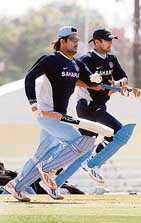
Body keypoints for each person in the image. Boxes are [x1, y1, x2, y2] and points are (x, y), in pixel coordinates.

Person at [3, 26, 103, 202]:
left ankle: (16, 186)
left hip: (60, 115)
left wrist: (97, 79)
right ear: (62, 41)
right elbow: (30, 77)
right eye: (72, 40)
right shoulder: (51, 60)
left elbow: (91, 82)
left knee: (43, 153)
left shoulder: (77, 63)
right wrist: (33, 103)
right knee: (82, 141)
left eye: (77, 40)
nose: (76, 43)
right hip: (48, 114)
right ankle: (49, 169)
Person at [76, 28, 131, 183]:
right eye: (107, 40)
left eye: (111, 39)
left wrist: (117, 84)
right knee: (118, 132)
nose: (110, 42)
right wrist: (94, 85)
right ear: (97, 42)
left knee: (82, 145)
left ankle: (54, 172)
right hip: (88, 106)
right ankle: (92, 162)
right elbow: (79, 81)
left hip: (100, 106)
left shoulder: (112, 58)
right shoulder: (86, 59)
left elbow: (123, 78)